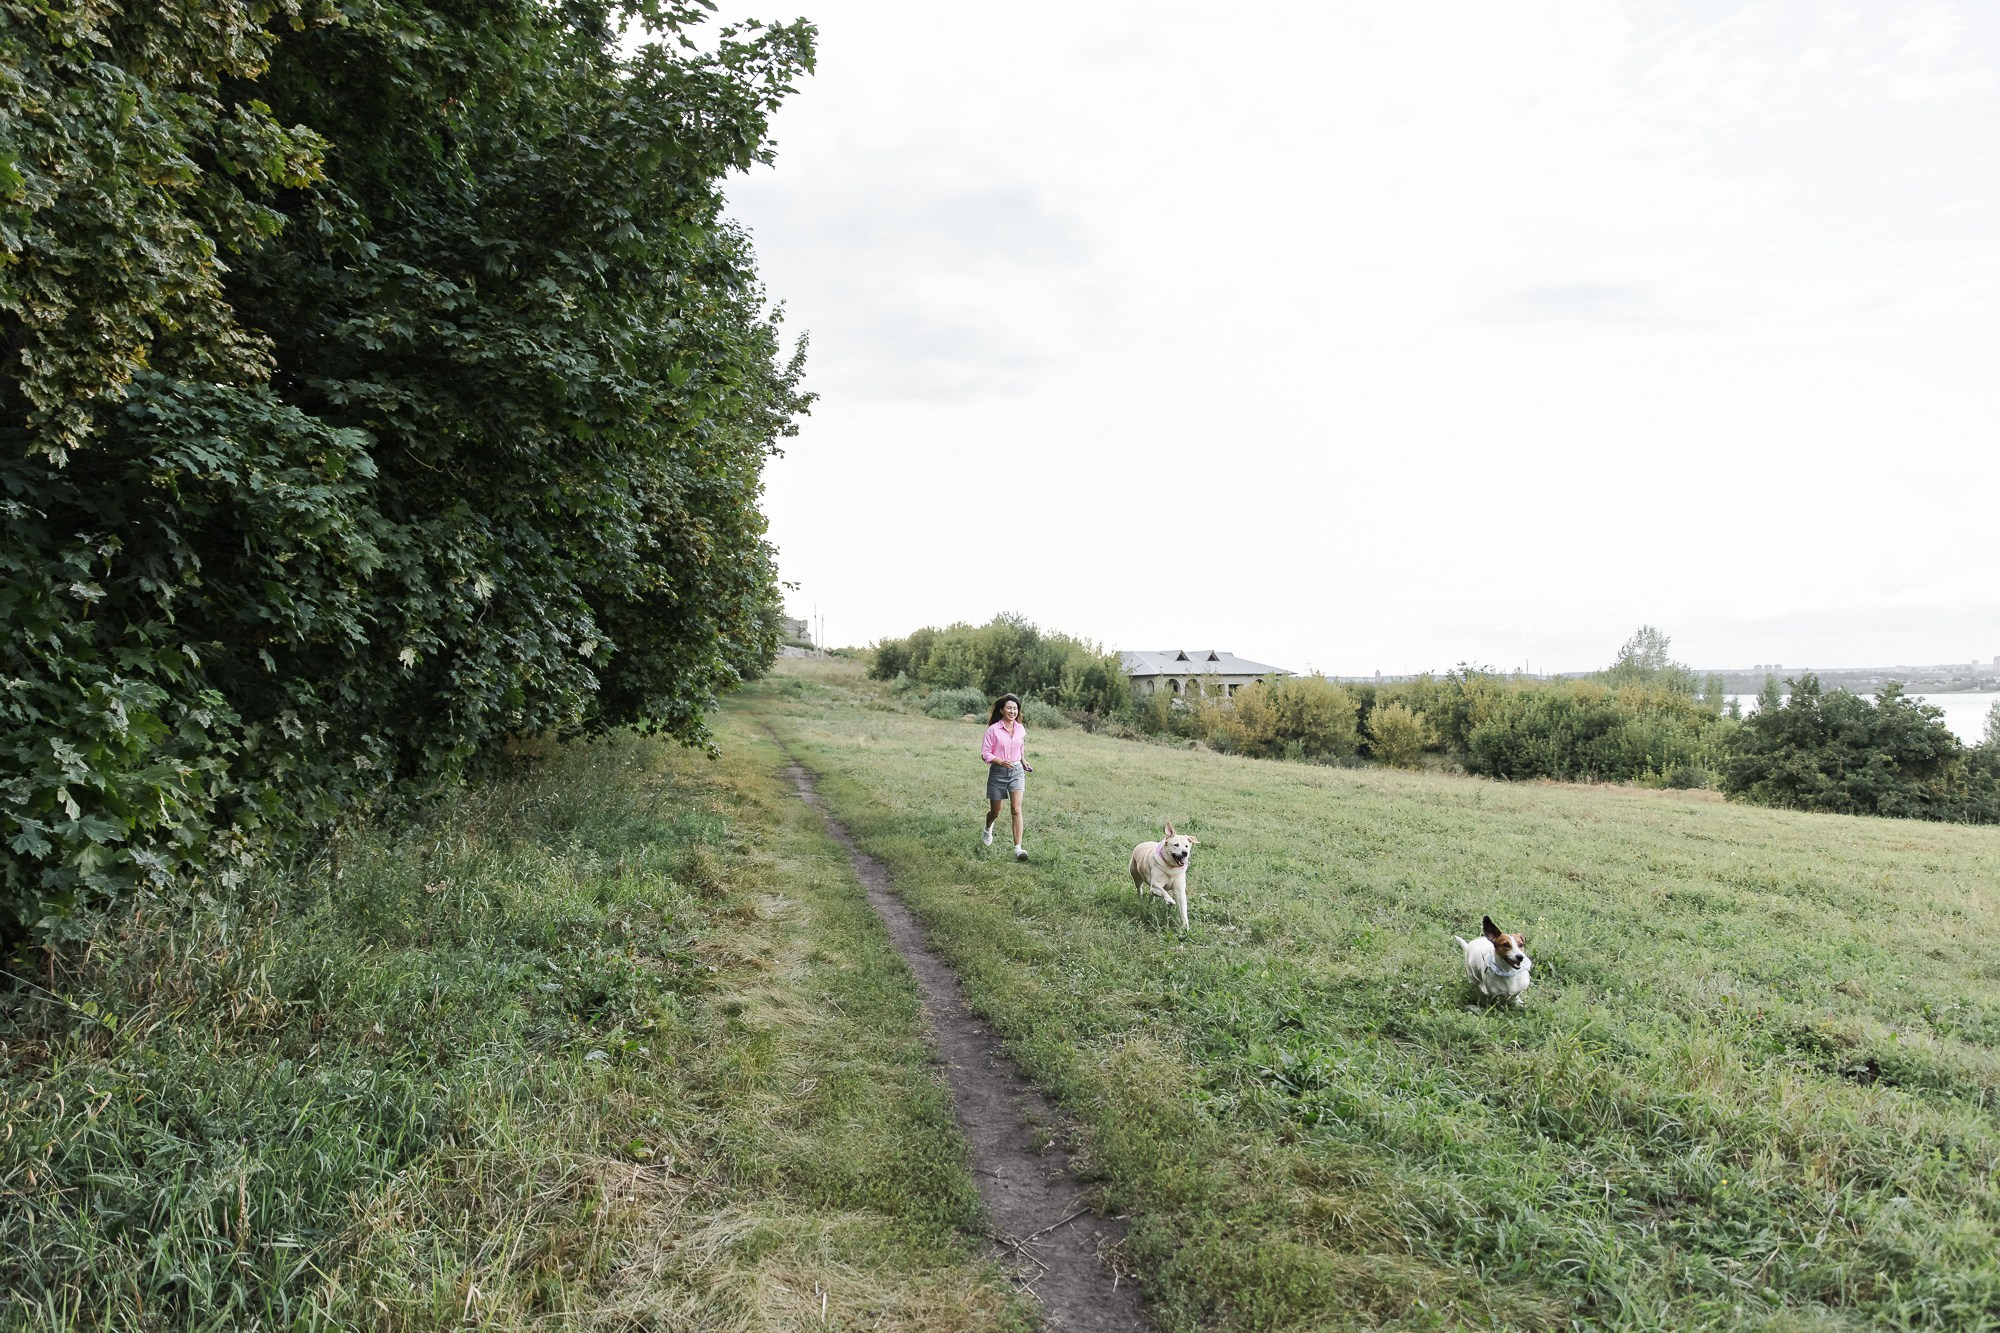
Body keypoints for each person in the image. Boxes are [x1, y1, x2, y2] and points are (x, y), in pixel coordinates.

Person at [980, 693, 1032, 860]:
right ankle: (988, 828)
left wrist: (1023, 760)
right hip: (998, 772)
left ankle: (1018, 848)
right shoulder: (993, 730)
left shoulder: (1020, 728)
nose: (1012, 711)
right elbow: (985, 753)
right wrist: (1001, 762)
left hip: (1016, 771)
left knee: (1016, 809)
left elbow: (1020, 746)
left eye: (1015, 708)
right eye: (1009, 708)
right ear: (1002, 710)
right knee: (996, 811)